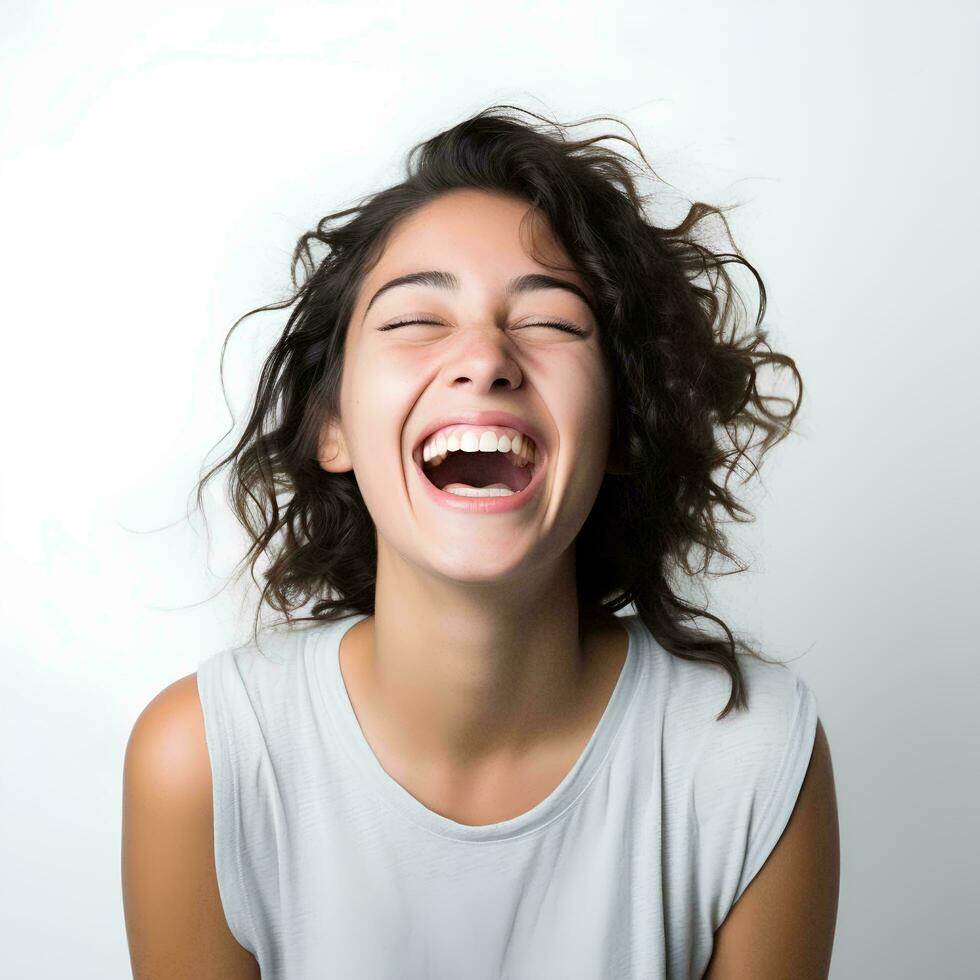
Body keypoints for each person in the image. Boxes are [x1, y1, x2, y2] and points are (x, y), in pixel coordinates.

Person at [122, 104, 839, 979]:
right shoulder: (203, 764)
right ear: (332, 428)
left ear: (620, 430)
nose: (486, 358)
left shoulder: (749, 756)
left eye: (552, 322)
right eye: (414, 319)